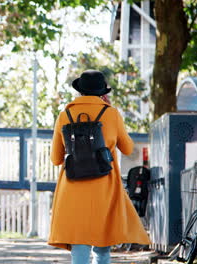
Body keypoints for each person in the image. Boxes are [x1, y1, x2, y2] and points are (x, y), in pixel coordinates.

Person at [48, 70, 151, 264]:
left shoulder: (65, 114)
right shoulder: (111, 114)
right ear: (103, 93)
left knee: (79, 243)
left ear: (80, 91)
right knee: (103, 244)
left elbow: (55, 159)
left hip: (73, 187)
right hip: (104, 186)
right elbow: (128, 148)